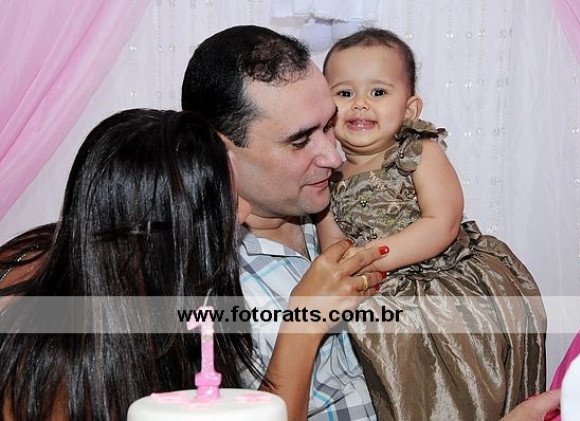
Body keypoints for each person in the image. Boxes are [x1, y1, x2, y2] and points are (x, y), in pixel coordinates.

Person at [0, 109, 385, 420]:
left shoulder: (168, 294)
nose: (244, 212)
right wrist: (301, 327)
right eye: (225, 202)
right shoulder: (54, 370)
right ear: (170, 234)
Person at [316, 28, 547, 419]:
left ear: (410, 109)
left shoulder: (419, 153)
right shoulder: (328, 175)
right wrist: (345, 272)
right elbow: (332, 246)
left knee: (464, 376)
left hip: (445, 284)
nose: (360, 104)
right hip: (382, 295)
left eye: (378, 92)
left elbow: (442, 223)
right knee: (406, 385)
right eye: (344, 92)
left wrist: (370, 257)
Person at [182, 25, 388, 420]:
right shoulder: (206, 287)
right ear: (219, 151)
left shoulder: (348, 204)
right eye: (300, 141)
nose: (334, 156)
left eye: (328, 125)